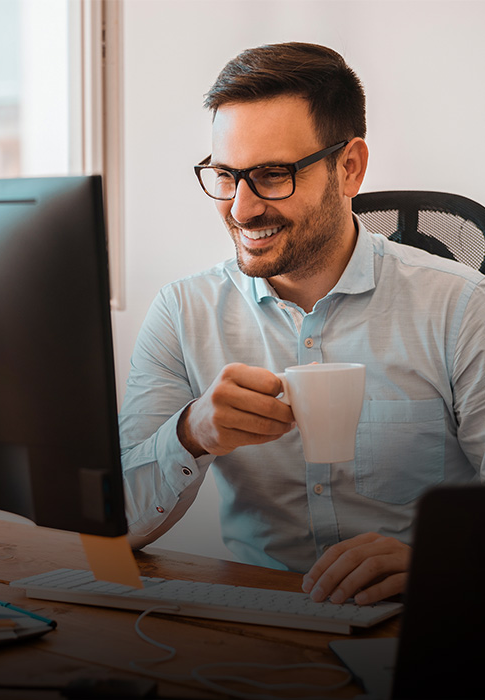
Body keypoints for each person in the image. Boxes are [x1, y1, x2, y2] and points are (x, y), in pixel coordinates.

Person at [119, 42, 485, 605]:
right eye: (225, 175)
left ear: (349, 168)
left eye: (271, 174)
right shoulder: (182, 312)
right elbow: (115, 524)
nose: (241, 208)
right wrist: (191, 433)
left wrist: (446, 564)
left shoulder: (463, 308)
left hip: (421, 623)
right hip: (257, 630)